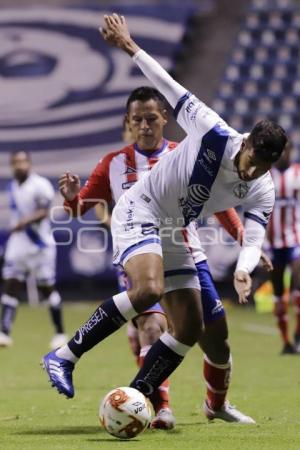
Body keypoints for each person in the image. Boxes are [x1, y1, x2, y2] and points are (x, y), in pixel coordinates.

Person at [42, 14, 287, 424]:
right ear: (245, 143)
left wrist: (244, 270)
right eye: (250, 162)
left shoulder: (263, 185)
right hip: (142, 208)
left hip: (175, 229)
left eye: (262, 168)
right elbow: (168, 86)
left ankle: (134, 399)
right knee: (149, 291)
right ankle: (64, 356)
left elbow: (254, 237)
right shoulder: (212, 131)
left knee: (190, 326)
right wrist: (128, 45)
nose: (251, 173)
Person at [57, 86, 260, 425]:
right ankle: (159, 406)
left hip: (187, 253)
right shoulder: (114, 163)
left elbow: (219, 203)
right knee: (153, 325)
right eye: (137, 120)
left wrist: (242, 236)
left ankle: (217, 405)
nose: (145, 126)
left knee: (216, 339)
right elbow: (82, 207)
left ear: (165, 118)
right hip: (142, 253)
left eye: (151, 118)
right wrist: (72, 198)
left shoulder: (184, 154)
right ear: (128, 123)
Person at [0, 151, 68, 349]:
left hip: (40, 245)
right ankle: (4, 332)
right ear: (12, 165)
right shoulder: (12, 186)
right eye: (16, 162)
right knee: (11, 284)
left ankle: (60, 332)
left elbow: (43, 211)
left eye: (23, 161)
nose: (20, 165)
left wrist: (23, 222)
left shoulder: (40, 185)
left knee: (46, 288)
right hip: (18, 244)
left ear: (29, 163)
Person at [268, 142, 300, 354]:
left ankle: (298, 334)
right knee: (279, 298)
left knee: (298, 291)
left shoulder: (298, 173)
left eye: (286, 150)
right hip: (272, 244)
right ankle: (286, 341)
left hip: (296, 240)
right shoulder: (265, 176)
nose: (283, 154)